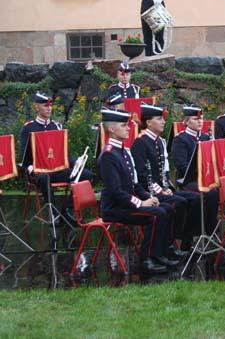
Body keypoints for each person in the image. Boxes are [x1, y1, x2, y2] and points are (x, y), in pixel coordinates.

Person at [97, 108, 176, 274]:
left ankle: (159, 254)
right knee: (157, 214)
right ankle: (147, 259)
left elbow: (135, 184)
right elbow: (116, 192)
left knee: (167, 208)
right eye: (124, 125)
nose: (128, 128)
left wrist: (148, 197)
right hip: (115, 208)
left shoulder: (123, 151)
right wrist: (140, 203)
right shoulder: (108, 155)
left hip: (126, 203)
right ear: (111, 129)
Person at [130, 104, 199, 254]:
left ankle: (185, 240)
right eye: (159, 119)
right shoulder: (140, 142)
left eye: (163, 119)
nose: (163, 122)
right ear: (148, 122)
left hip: (161, 189)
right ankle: (169, 244)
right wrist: (161, 191)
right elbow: (142, 176)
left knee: (194, 199)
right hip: (148, 192)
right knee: (178, 203)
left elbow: (164, 171)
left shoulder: (159, 141)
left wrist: (168, 188)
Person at [19, 92, 93, 223]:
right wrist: (31, 168)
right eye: (45, 105)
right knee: (44, 177)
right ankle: (54, 214)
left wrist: (76, 163)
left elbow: (65, 153)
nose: (49, 108)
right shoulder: (28, 128)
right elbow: (23, 157)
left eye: (50, 105)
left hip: (57, 170)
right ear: (36, 107)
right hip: (38, 172)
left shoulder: (57, 126)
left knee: (86, 174)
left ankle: (66, 210)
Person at [171, 105, 218, 235]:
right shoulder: (180, 139)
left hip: (206, 180)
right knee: (210, 193)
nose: (200, 121)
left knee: (216, 190)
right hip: (188, 180)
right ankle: (200, 232)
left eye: (201, 118)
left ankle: (211, 230)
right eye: (195, 119)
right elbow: (182, 166)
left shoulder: (206, 137)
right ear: (186, 121)